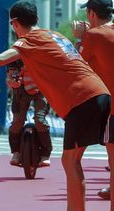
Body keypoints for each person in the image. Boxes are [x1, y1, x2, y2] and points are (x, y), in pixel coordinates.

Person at [0, 2, 110, 211]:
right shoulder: (53, 35)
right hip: (101, 94)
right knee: (74, 159)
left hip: (83, 99)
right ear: (37, 20)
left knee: (71, 162)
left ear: (14, 24)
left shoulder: (29, 40)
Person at [72, 0, 114, 205]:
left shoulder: (93, 36)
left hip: (111, 108)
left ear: (91, 13)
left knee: (71, 160)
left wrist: (80, 38)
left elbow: (76, 65)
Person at [6, 59, 52, 167]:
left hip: (41, 88)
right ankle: (16, 153)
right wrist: (13, 82)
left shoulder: (43, 51)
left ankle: (45, 155)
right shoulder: (15, 54)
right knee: (17, 122)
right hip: (21, 89)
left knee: (40, 120)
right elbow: (10, 77)